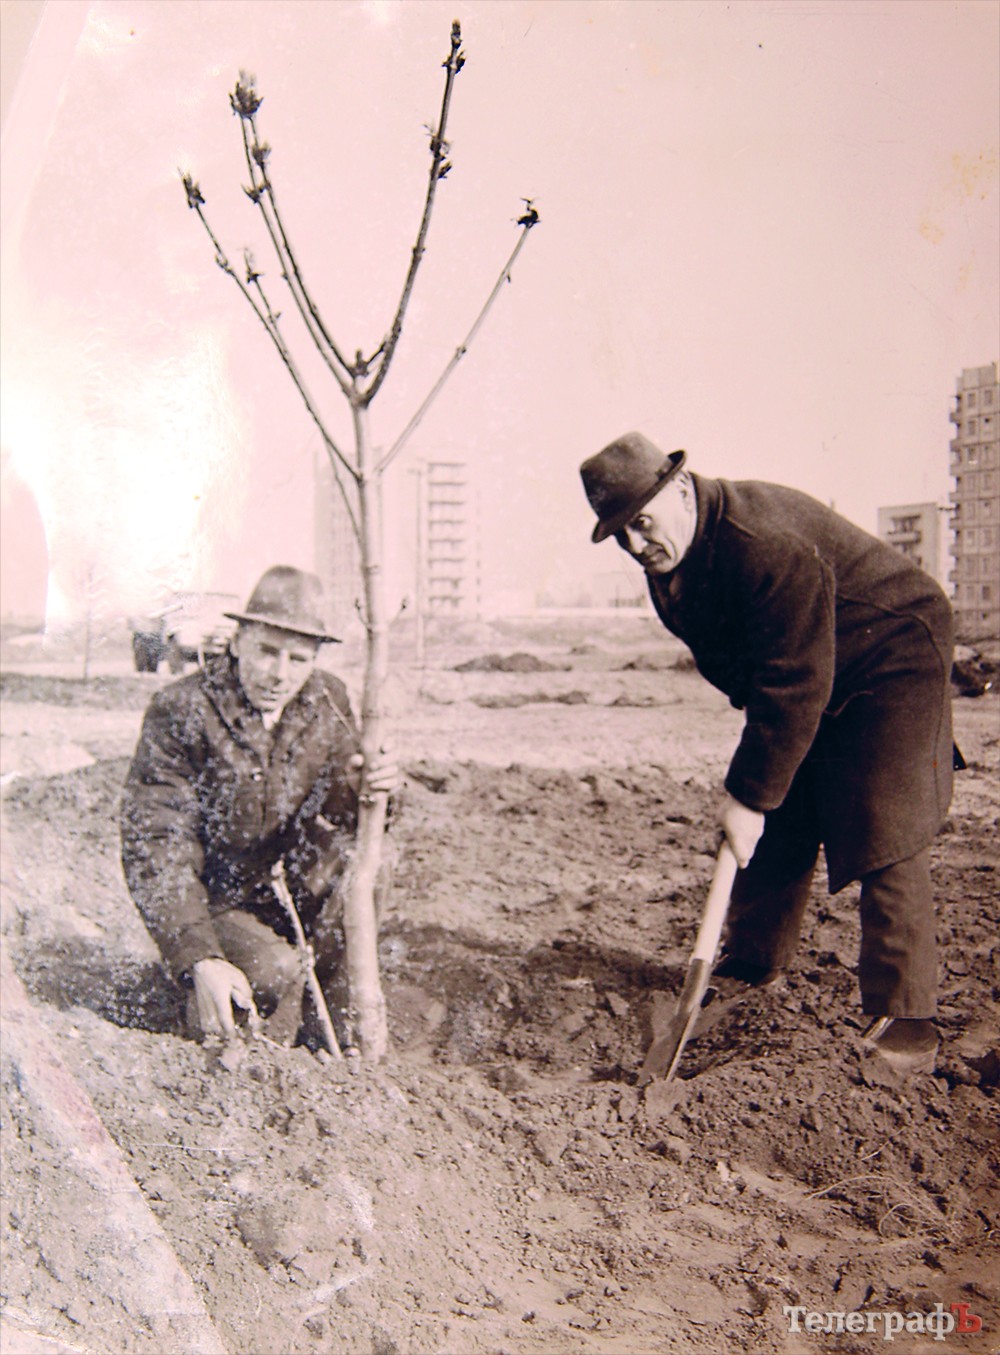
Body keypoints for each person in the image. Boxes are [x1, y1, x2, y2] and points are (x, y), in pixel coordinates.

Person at [580, 432, 957, 1075]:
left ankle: (908, 1020)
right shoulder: (672, 569)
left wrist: (750, 793)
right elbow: (756, 672)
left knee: (883, 822)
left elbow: (794, 678)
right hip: (812, 666)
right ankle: (754, 962)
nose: (636, 545)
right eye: (621, 535)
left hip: (891, 652)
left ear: (680, 489)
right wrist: (764, 787)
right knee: (779, 807)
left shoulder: (764, 541)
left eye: (642, 523)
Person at [121, 565, 399, 1047]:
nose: (280, 674)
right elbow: (157, 842)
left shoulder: (325, 698)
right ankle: (193, 996)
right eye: (268, 651)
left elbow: (340, 812)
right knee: (270, 973)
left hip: (283, 887)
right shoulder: (182, 709)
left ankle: (332, 1044)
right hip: (215, 898)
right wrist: (198, 954)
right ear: (238, 642)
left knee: (369, 866)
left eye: (298, 658)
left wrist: (368, 788)